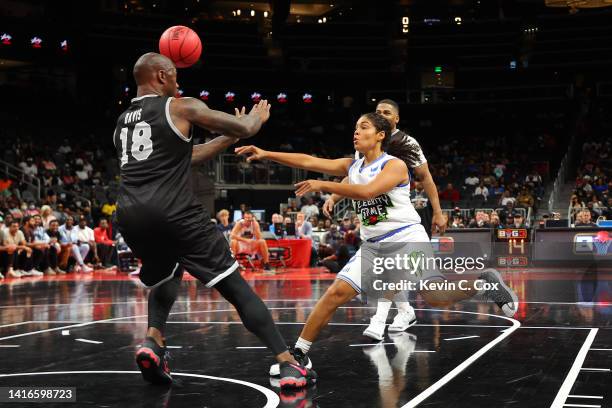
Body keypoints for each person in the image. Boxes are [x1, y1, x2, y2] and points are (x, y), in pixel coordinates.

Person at [236, 112, 518, 380]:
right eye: (355, 128)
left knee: (434, 296)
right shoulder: (353, 166)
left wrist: (324, 186)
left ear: (380, 135)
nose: (356, 132)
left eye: (364, 127)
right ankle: (300, 354)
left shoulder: (394, 165)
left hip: (406, 237)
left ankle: (484, 282)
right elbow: (308, 160)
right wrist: (266, 154)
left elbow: (368, 192)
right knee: (335, 293)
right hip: (374, 245)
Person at [114, 53, 314, 388]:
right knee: (235, 287)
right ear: (161, 76)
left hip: (131, 215)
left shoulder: (123, 120)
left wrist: (228, 140)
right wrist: (255, 118)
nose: (179, 82)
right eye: (175, 75)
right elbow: (247, 126)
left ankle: (153, 341)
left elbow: (187, 156)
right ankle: (288, 364)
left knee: (168, 269)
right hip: (174, 213)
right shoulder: (180, 106)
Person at [322, 99, 447, 340]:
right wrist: (335, 196)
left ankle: (379, 319)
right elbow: (354, 173)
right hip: (378, 214)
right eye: (378, 112)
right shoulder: (366, 143)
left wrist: (438, 211)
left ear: (396, 119)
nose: (382, 115)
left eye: (387, 112)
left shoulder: (408, 144)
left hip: (404, 216)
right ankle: (405, 310)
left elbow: (426, 177)